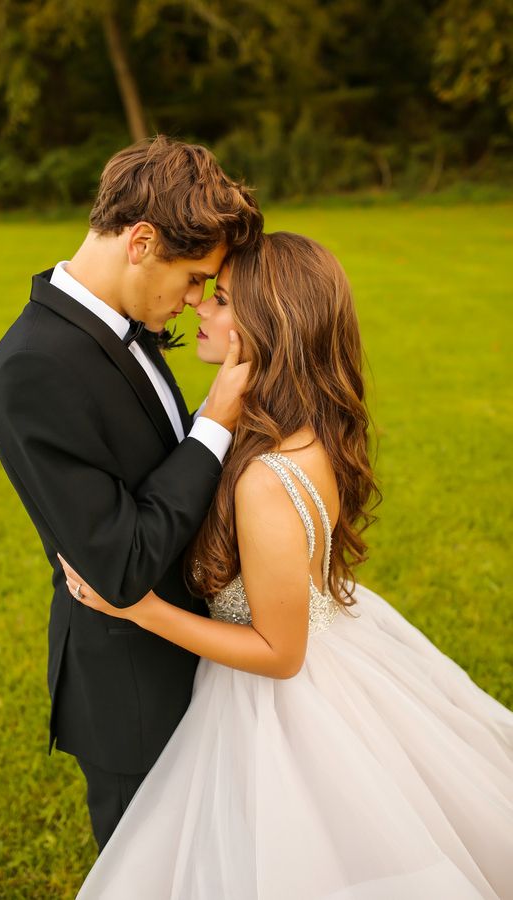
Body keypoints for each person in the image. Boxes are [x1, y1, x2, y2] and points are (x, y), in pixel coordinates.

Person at [60, 232, 513, 899]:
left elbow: (279, 652)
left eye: (217, 300)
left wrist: (139, 607)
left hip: (277, 701)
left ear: (266, 326)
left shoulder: (265, 479)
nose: (199, 311)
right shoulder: (300, 425)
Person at [0, 136, 263, 851]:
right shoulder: (33, 369)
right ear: (141, 241)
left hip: (196, 656)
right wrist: (215, 425)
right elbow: (121, 562)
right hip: (132, 688)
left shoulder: (126, 324)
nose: (197, 300)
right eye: (196, 277)